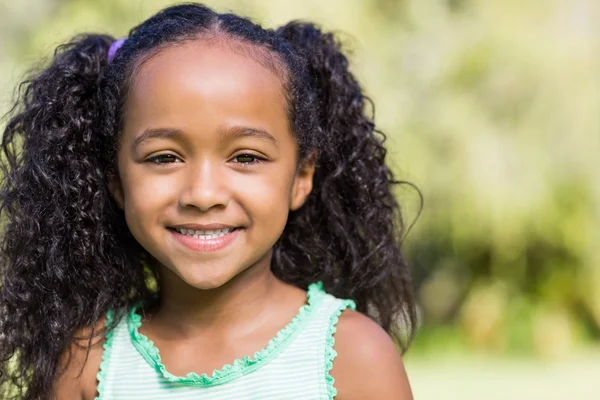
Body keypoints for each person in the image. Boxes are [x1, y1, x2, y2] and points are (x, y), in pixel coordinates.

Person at [0, 3, 417, 399]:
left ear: (301, 177)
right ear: (117, 181)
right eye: (164, 157)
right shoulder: (86, 365)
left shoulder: (355, 358)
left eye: (246, 157)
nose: (202, 195)